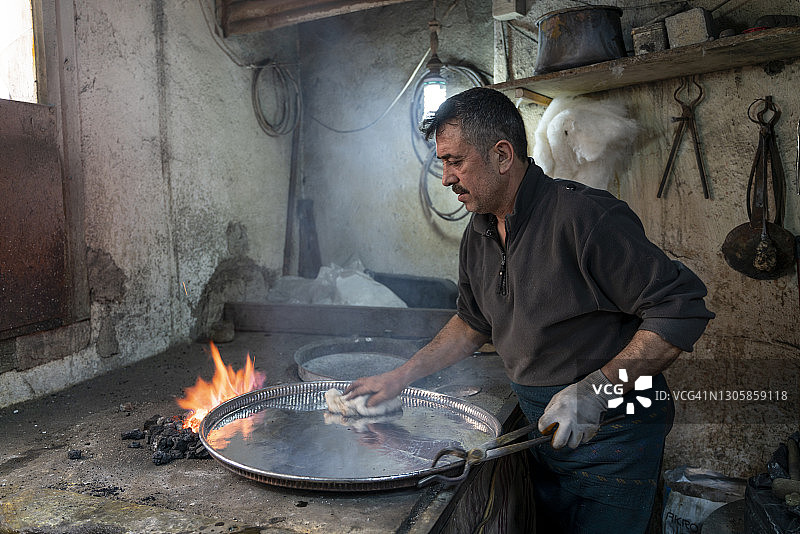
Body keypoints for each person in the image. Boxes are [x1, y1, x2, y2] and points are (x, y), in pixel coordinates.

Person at [345, 87, 714, 533]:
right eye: (442, 162)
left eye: (454, 160)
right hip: (544, 430)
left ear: (502, 155)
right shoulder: (478, 230)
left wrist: (595, 391)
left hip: (615, 435)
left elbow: (680, 309)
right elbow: (471, 324)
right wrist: (400, 377)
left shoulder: (584, 217)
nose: (445, 178)